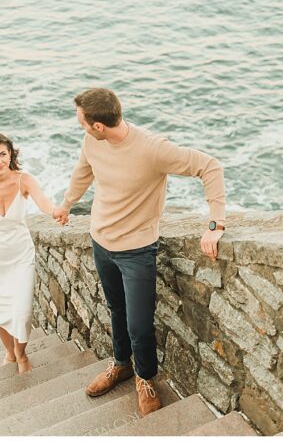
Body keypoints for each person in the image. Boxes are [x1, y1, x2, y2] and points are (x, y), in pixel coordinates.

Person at [52, 88, 225, 418]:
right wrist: (66, 204)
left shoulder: (153, 149)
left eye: (82, 123)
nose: (81, 127)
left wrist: (215, 225)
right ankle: (121, 365)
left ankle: (145, 378)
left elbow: (210, 166)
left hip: (136, 250)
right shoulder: (92, 143)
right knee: (116, 309)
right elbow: (82, 171)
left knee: (140, 325)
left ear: (99, 125)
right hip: (101, 242)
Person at [0, 132, 69, 373]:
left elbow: (43, 202)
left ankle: (22, 355)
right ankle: (10, 353)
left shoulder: (25, 180)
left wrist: (55, 211)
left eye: (2, 154)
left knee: (22, 312)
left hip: (21, 255)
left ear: (11, 154)